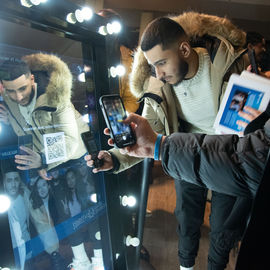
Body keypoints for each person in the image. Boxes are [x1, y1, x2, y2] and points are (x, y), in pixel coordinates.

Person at [86, 12, 254, 270]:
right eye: (153, 66)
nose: (158, 73)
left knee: (222, 229)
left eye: (162, 62)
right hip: (184, 151)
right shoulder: (158, 84)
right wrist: (116, 158)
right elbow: (148, 131)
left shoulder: (230, 65)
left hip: (225, 155)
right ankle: (185, 267)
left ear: (185, 49)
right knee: (186, 220)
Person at [0, 53, 89, 180]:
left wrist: (42, 159)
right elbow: (25, 127)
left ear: (31, 79)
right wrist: (8, 121)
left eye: (22, 89)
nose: (18, 97)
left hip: (78, 155)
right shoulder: (8, 98)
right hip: (47, 161)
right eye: (11, 91)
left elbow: (70, 140)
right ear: (3, 87)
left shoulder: (56, 98)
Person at [3, 168, 31, 270]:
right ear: (4, 183)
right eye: (9, 180)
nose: (13, 184)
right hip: (10, 252)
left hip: (27, 246)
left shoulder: (25, 196)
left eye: (16, 179)